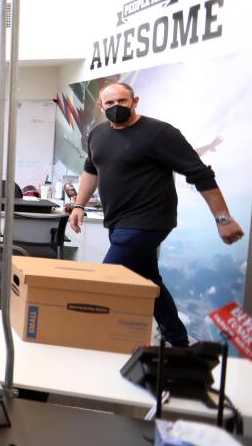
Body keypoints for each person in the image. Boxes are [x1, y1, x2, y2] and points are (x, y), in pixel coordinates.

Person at [66, 82, 244, 346]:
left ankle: (78, 339)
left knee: (106, 280)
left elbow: (200, 174)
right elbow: (91, 169)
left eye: (122, 102)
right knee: (150, 282)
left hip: (149, 221)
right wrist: (79, 204)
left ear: (135, 101)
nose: (117, 108)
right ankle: (180, 343)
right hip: (117, 220)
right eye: (110, 104)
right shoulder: (98, 134)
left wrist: (223, 219)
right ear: (101, 107)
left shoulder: (159, 133)